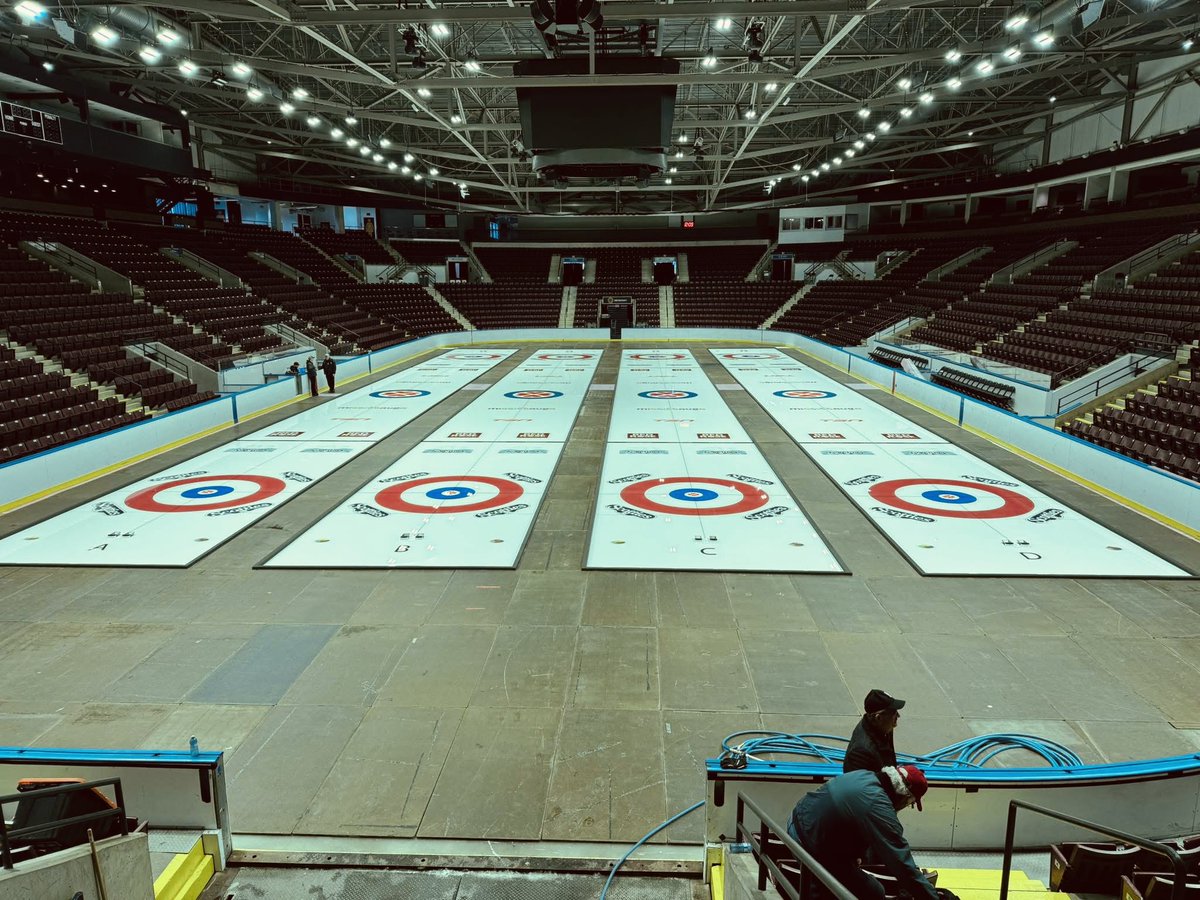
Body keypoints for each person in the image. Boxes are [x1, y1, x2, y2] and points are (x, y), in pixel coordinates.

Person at [787, 765, 940, 900]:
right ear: (905, 796)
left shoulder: (864, 775)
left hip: (796, 823)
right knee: (874, 892)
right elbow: (901, 864)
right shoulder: (878, 807)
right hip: (808, 843)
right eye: (911, 803)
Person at [844, 688, 904, 774]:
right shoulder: (860, 752)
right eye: (893, 712)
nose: (898, 716)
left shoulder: (883, 727)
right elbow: (862, 786)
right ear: (878, 717)